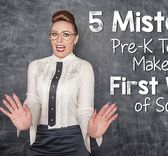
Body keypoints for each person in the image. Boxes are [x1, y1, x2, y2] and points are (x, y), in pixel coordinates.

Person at [0, 10, 118, 156]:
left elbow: (84, 109)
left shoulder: (84, 67)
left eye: (66, 35)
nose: (59, 40)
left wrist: (91, 130)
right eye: (54, 34)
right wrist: (27, 120)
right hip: (40, 140)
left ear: (75, 39)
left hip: (74, 141)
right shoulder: (35, 66)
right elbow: (34, 102)